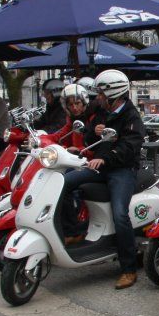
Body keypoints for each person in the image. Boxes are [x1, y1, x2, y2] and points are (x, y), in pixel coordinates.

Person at [61, 70, 145, 290]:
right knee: (64, 183)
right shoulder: (101, 111)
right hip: (100, 166)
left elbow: (129, 148)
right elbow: (89, 137)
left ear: (113, 95)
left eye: (100, 93)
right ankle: (74, 230)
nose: (97, 97)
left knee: (120, 214)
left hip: (122, 170)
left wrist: (104, 159)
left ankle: (128, 268)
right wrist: (93, 132)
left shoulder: (132, 117)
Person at [44, 83, 93, 150]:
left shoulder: (93, 118)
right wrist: (39, 138)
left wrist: (79, 150)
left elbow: (96, 148)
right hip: (76, 157)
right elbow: (58, 136)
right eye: (70, 105)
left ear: (84, 102)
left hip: (88, 158)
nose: (74, 107)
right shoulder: (72, 120)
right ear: (66, 107)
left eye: (77, 103)